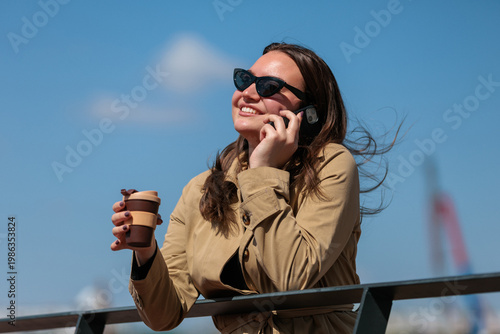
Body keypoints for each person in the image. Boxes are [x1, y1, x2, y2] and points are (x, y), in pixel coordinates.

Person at [111, 42, 392, 333]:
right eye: (245, 80)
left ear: (308, 112)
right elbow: (163, 316)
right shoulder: (200, 190)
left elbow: (292, 276)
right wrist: (145, 252)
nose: (248, 92)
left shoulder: (331, 164)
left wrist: (263, 173)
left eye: (269, 86)